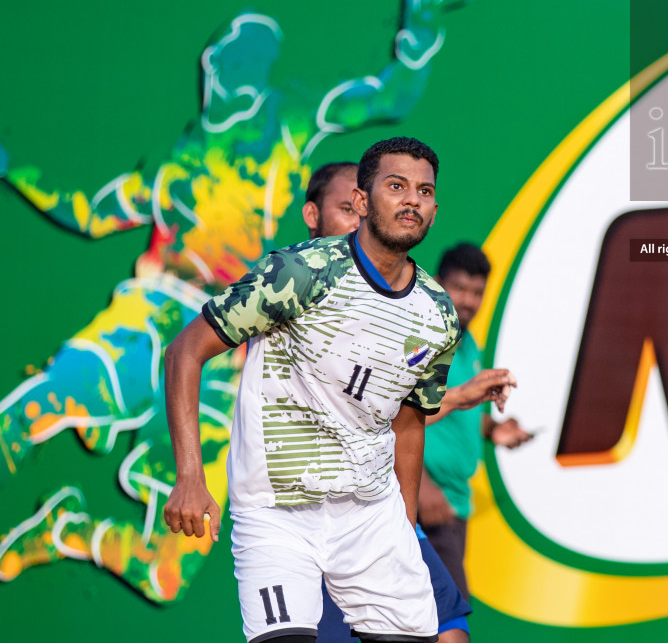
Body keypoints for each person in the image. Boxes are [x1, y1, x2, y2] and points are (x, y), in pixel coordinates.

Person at [0, 0, 462, 602]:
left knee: (167, 571)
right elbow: (87, 212)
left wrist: (416, 38)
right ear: (210, 66)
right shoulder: (176, 165)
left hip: (229, 360)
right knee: (21, 420)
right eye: (228, 54)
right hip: (153, 314)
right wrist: (13, 165)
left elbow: (386, 95)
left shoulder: (285, 123)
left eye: (252, 58)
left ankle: (67, 531)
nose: (232, 67)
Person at [160, 137, 464, 643]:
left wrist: (405, 528)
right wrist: (190, 475)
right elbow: (184, 352)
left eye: (424, 191)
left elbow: (409, 423)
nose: (412, 199)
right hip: (278, 513)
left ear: (433, 210)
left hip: (370, 516)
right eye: (396, 186)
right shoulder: (300, 273)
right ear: (363, 202)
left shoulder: (438, 314)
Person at [297, 164, 515, 643]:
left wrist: (474, 413)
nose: (359, 218)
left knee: (449, 626)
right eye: (346, 207)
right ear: (312, 216)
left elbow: (398, 411)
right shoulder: (293, 297)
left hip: (392, 509)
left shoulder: (422, 317)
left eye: (364, 207)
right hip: (323, 515)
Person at [419, 243, 533, 598]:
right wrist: (420, 486)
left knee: (428, 626)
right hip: (423, 503)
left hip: (453, 505)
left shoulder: (468, 344)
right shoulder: (421, 339)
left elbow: (456, 409)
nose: (468, 300)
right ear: (437, 285)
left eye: (477, 292)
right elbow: (388, 416)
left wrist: (495, 428)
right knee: (450, 625)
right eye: (460, 288)